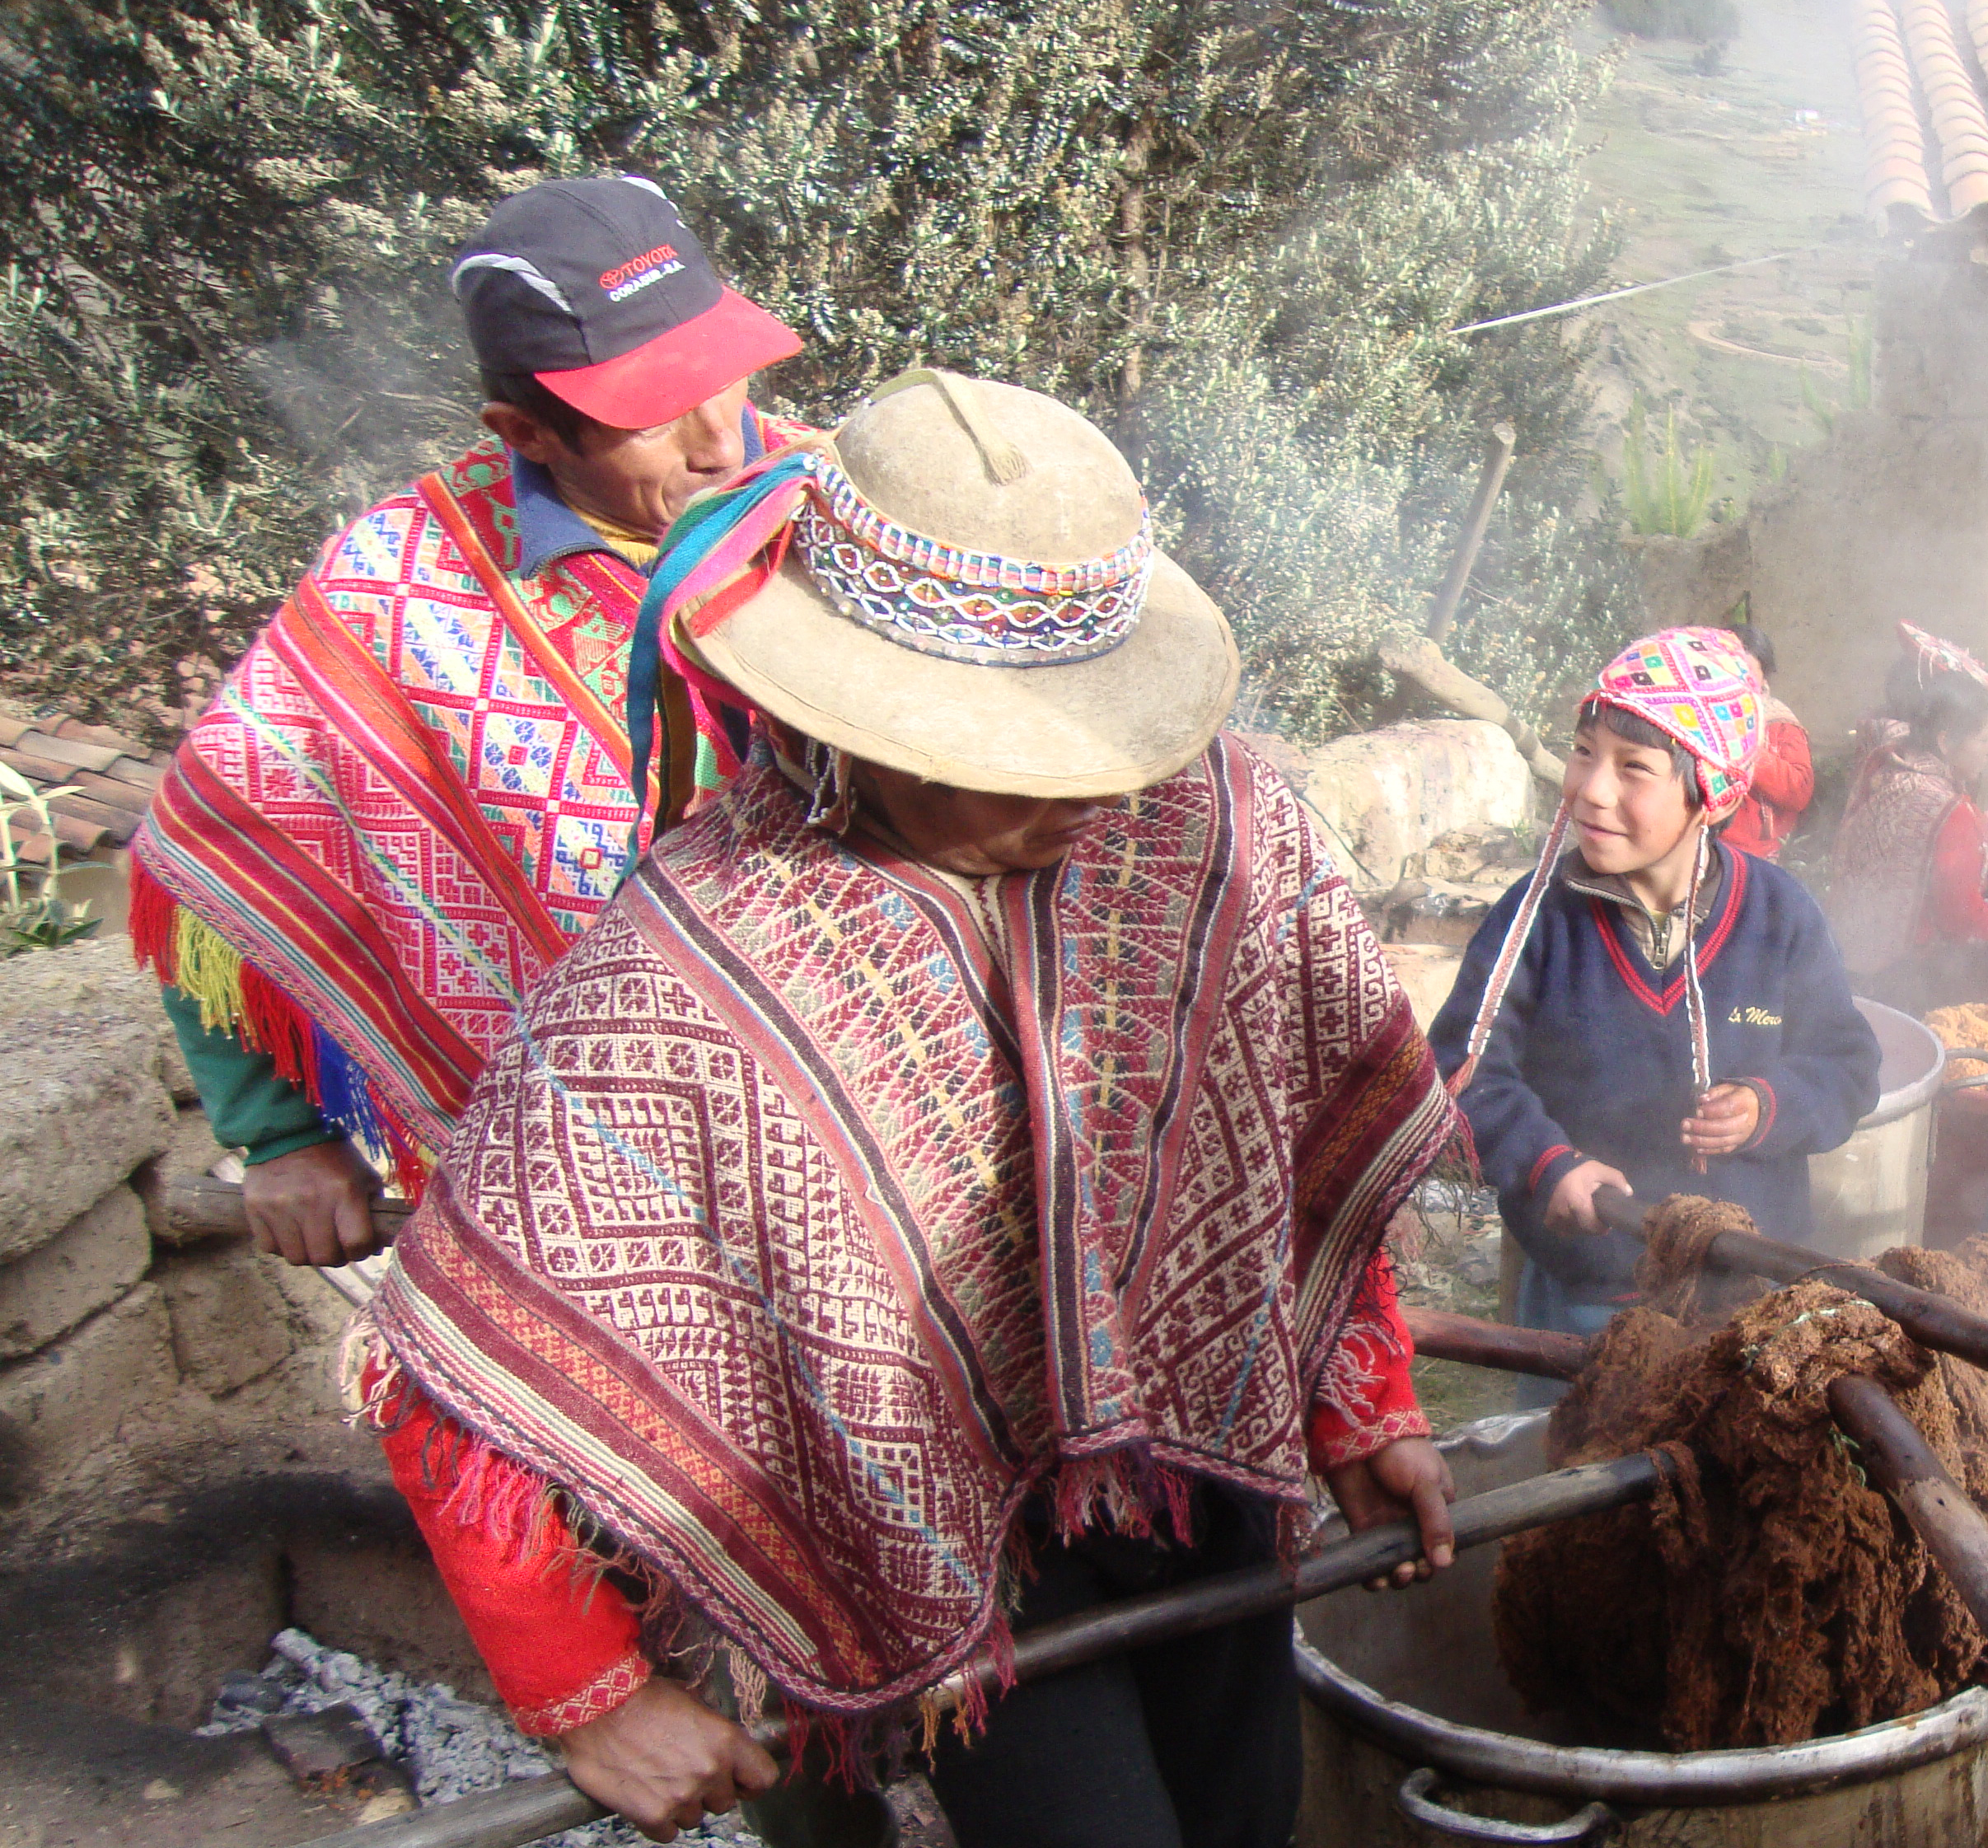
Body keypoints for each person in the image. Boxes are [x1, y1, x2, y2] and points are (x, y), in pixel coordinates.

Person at [360, 372, 1460, 1848]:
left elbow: (1284, 1131)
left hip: (1212, 1473)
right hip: (948, 1551)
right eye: (1011, 752)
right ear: (859, 713)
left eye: (1107, 732)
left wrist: (1358, 1394)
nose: (1089, 788)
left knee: (1247, 1817)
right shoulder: (697, 964)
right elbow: (468, 1350)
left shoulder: (1214, 826)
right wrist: (585, 1683)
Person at [130, 175, 805, 1269]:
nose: (720, 442)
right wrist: (280, 1136)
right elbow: (222, 857)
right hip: (579, 1201)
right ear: (523, 428)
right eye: (652, 413)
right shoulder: (398, 596)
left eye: (727, 379)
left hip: (870, 1164)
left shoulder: (848, 515)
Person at [1432, 627, 1880, 1340]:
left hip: (1751, 1295)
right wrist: (1547, 1163)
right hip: (1589, 1294)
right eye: (1584, 754)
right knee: (1577, 1446)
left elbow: (1848, 1066)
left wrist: (1771, 1105)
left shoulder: (1779, 915)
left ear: (1709, 789)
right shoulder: (1537, 917)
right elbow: (1462, 1067)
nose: (1590, 790)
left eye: (1633, 768)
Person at [1822, 623, 1988, 989]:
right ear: (1946, 740)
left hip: (1838, 956)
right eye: (1984, 739)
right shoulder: (1946, 809)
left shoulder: (1884, 766)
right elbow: (1965, 923)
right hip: (1898, 978)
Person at [1717, 623, 1813, 859]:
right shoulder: (1697, 714)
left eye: (1747, 673)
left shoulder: (1778, 722)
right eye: (1730, 669)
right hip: (1701, 843)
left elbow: (1799, 791)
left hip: (1754, 856)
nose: (1738, 679)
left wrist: (1748, 750)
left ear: (1764, 675)